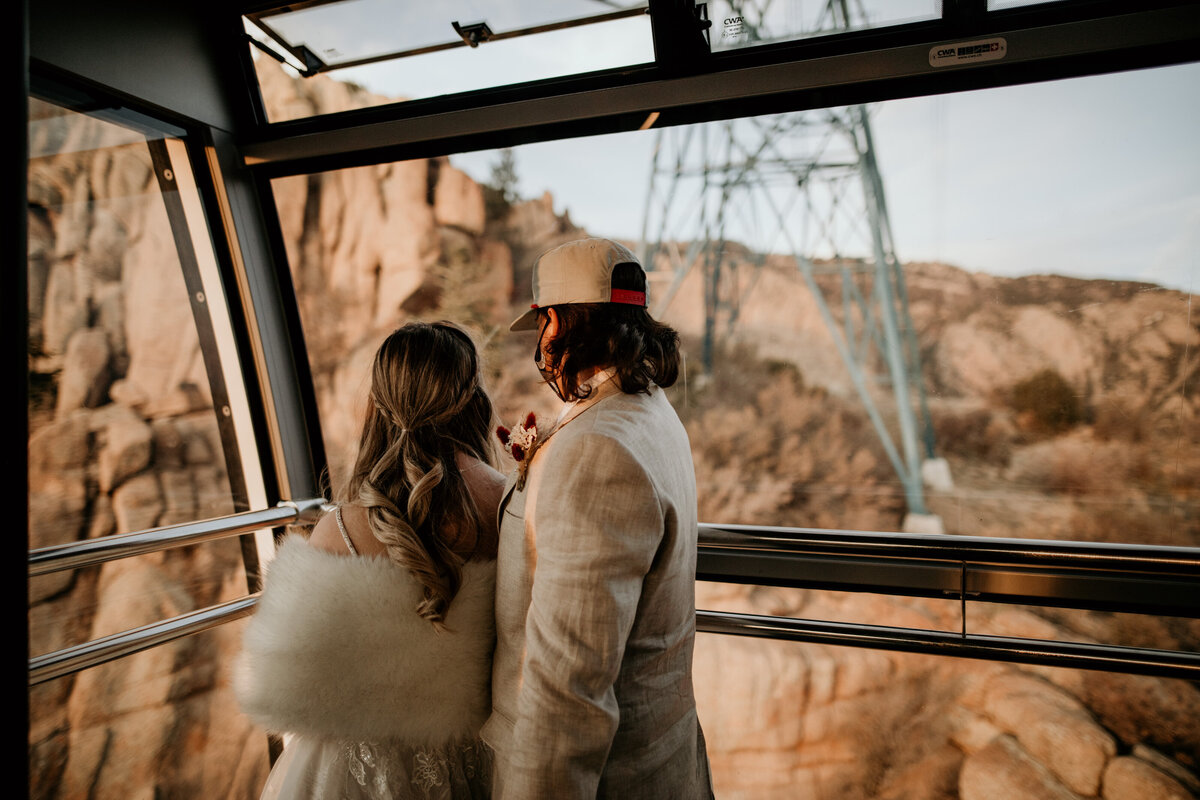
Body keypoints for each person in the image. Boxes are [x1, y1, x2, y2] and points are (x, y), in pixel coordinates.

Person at [482, 238, 714, 798]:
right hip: (662, 756)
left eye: (540, 325)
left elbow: (568, 689)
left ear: (558, 321)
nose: (540, 343)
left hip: (610, 780)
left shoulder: (594, 451)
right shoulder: (653, 415)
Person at [236, 321, 506, 799]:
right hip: (476, 758)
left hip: (350, 773)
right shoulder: (510, 506)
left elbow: (283, 678)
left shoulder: (338, 529)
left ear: (379, 404)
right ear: (473, 399)